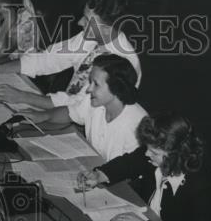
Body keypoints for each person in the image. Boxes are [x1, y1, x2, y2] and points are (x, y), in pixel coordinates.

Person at [81, 113, 211, 221]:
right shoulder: (157, 157)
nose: (147, 153)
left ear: (176, 155)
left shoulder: (202, 185)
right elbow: (129, 163)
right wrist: (100, 175)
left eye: (154, 152)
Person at [0, 0, 142, 108]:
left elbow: (80, 106)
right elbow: (48, 59)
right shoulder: (89, 38)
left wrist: (23, 97)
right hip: (65, 111)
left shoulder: (123, 61)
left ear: (107, 27)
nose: (80, 23)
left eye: (87, 19)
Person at [13, 53, 146, 162]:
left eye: (96, 84)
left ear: (116, 88)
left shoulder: (137, 126)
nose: (89, 89)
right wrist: (43, 115)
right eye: (90, 82)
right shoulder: (95, 101)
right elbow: (71, 112)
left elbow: (131, 173)